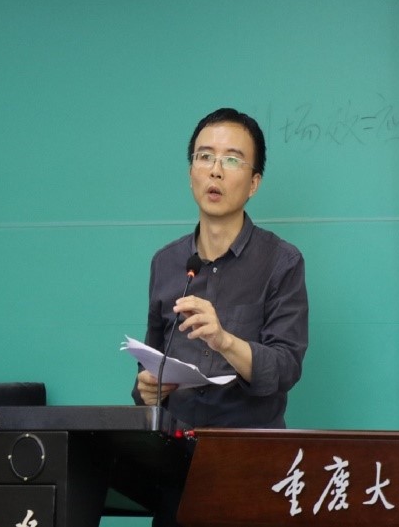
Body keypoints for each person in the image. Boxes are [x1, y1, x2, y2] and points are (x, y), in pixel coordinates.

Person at [132, 107, 309, 430]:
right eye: (205, 157)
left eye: (231, 160)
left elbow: (285, 367)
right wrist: (146, 388)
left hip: (248, 447)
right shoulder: (166, 262)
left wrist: (223, 341)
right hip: (175, 444)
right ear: (191, 174)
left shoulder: (282, 262)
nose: (215, 171)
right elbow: (150, 360)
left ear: (253, 183)